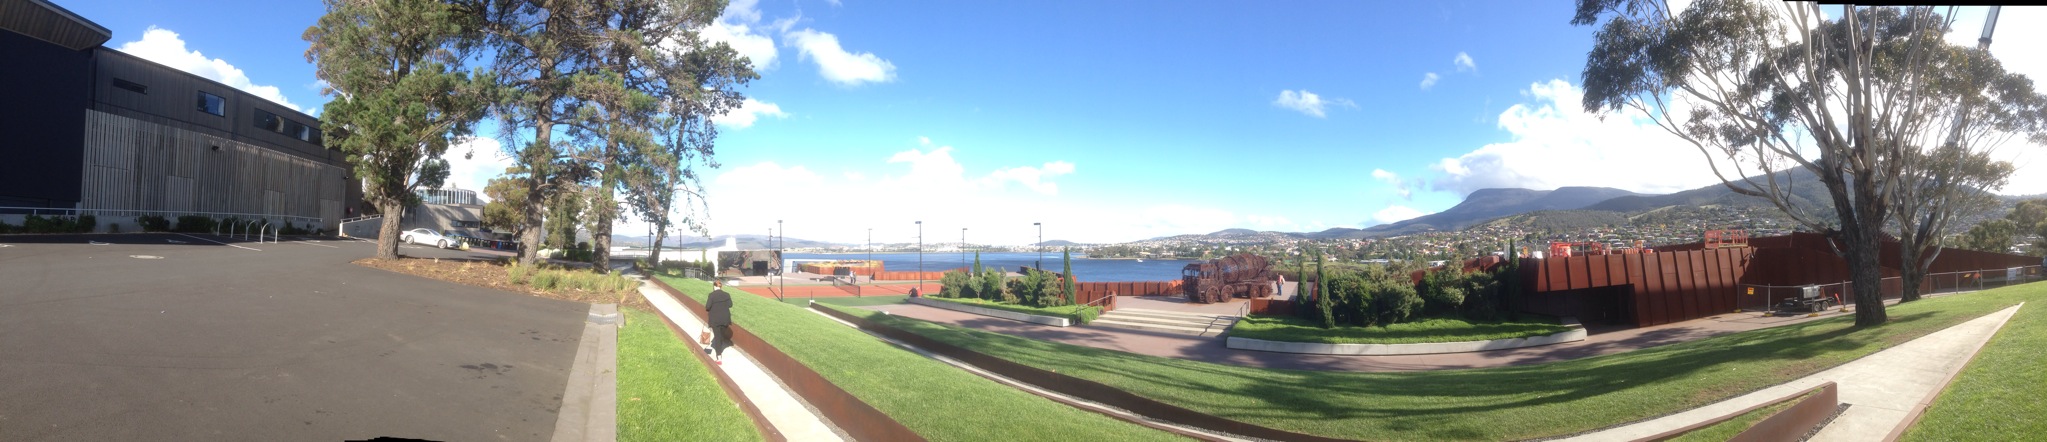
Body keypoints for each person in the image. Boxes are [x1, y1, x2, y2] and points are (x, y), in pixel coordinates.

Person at [706, 279, 734, 365]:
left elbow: (707, 307)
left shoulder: (711, 295)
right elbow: (730, 305)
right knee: (720, 336)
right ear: (720, 287)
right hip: (725, 319)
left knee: (717, 337)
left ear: (714, 286)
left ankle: (719, 357)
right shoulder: (726, 294)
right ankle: (720, 348)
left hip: (715, 319)